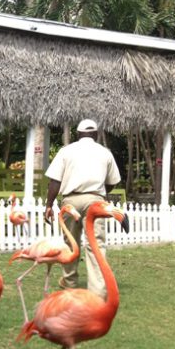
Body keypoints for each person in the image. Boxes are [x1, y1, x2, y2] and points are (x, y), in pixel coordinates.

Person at [43, 119, 122, 298]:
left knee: (71, 242)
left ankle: (70, 284)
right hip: (95, 200)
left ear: (78, 134)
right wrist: (98, 193)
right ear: (95, 134)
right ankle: (98, 292)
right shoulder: (105, 153)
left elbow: (55, 181)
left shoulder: (66, 151)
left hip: (71, 199)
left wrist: (49, 205)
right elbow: (112, 183)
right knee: (96, 244)